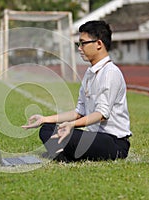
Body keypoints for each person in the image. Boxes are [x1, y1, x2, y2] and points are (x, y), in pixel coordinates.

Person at [22, 20, 132, 162]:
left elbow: (102, 115)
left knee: (67, 134)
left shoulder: (110, 73)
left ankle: (63, 154)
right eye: (78, 44)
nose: (79, 48)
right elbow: (78, 113)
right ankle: (63, 155)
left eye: (83, 43)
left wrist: (71, 125)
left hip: (114, 142)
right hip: (95, 137)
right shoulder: (90, 73)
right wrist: (45, 119)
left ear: (99, 44)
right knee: (47, 129)